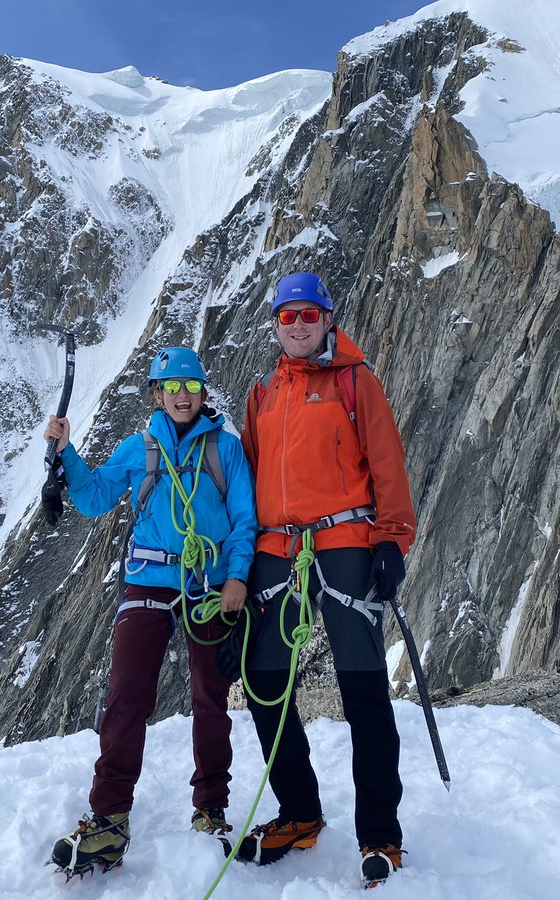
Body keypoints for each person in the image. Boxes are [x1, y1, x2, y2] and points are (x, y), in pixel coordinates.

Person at [46, 347, 257, 877]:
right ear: (157, 395)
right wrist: (66, 453)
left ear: (203, 394)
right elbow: (94, 497)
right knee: (125, 697)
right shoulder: (138, 449)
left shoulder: (225, 449)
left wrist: (235, 576)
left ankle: (210, 808)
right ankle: (109, 818)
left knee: (211, 698)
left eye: (190, 387)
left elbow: (243, 520)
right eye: (172, 387)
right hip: (149, 582)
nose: (182, 396)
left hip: (206, 584)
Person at [236, 272, 417, 887]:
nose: (298, 325)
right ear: (277, 326)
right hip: (277, 547)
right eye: (288, 317)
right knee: (264, 682)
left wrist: (391, 539)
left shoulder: (353, 380)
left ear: (327, 319)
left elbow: (386, 459)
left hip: (345, 540)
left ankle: (380, 833)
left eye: (308, 314)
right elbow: (250, 480)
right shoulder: (263, 394)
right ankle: (299, 812)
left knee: (362, 684)